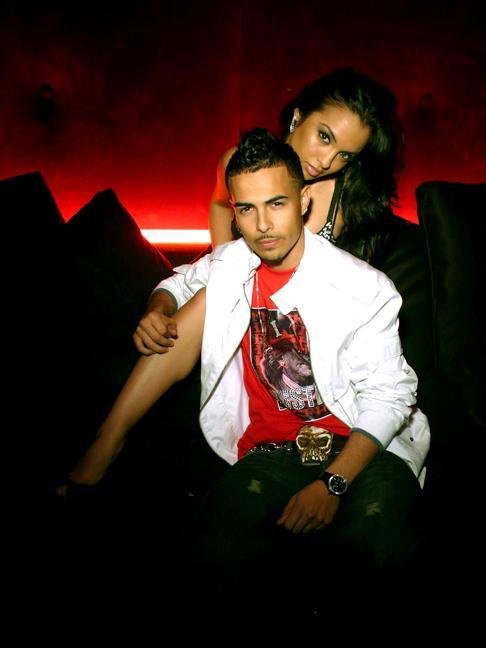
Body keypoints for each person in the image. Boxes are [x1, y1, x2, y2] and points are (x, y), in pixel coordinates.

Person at [63, 129, 429, 599]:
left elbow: (390, 397)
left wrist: (332, 483)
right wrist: (158, 308)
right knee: (210, 550)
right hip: (271, 454)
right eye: (247, 209)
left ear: (303, 202)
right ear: (234, 213)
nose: (263, 225)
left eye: (276, 204)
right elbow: (178, 282)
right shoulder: (231, 264)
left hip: (365, 451)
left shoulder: (364, 287)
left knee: (376, 549)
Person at [133, 66, 403, 356]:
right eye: (324, 137)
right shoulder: (240, 164)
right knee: (202, 301)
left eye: (345, 155)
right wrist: (226, 264)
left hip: (296, 328)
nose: (326, 161)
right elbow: (221, 203)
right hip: (235, 307)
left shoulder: (344, 196)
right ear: (298, 117)